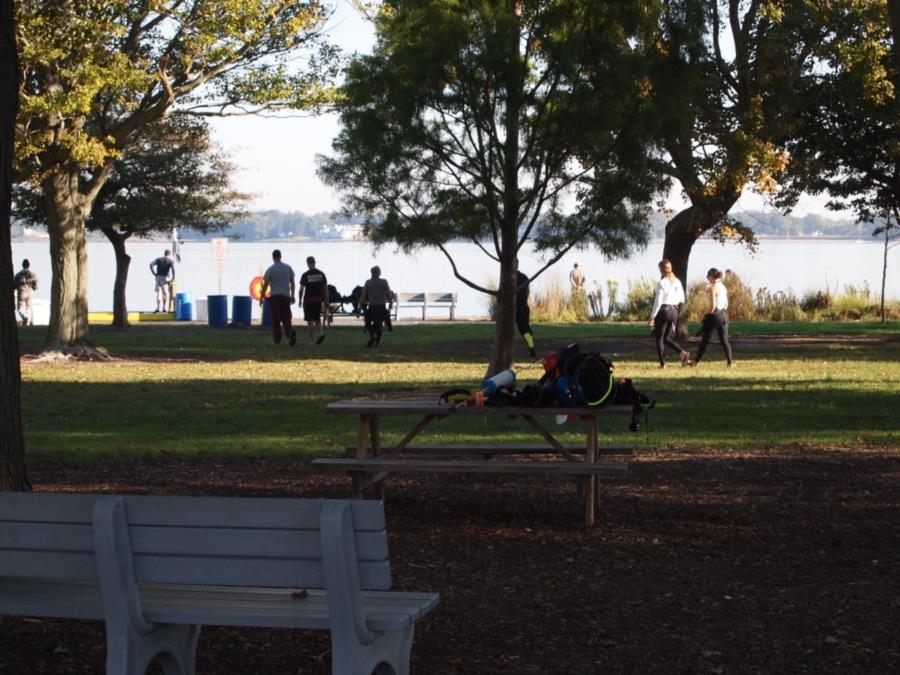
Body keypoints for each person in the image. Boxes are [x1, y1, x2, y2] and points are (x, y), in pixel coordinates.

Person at [648, 258, 689, 368]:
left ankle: (663, 364)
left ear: (661, 270)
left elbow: (658, 302)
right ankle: (682, 353)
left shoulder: (662, 283)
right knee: (667, 338)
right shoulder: (677, 281)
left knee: (659, 338)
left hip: (664, 311)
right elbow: (682, 299)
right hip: (674, 311)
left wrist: (652, 317)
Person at [692, 268, 734, 367]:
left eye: (708, 276)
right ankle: (730, 362)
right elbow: (726, 304)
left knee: (705, 339)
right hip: (724, 314)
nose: (707, 278)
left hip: (716, 314)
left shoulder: (713, 288)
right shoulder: (723, 287)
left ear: (711, 276)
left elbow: (713, 306)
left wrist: (707, 316)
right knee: (724, 340)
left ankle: (696, 362)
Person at [259, 249, 296, 346]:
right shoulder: (288, 268)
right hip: (286, 297)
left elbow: (265, 285)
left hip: (275, 297)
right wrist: (292, 295)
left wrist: (261, 297)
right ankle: (290, 333)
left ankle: (277, 340)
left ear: (273, 257)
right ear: (281, 256)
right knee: (286, 318)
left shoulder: (271, 269)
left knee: (275, 319)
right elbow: (292, 283)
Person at [359, 265, 394, 347]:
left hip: (372, 308)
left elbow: (363, 296)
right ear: (379, 273)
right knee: (379, 324)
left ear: (371, 273)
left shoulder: (368, 282)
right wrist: (391, 303)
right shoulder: (384, 282)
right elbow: (389, 294)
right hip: (382, 308)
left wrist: (360, 305)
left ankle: (372, 335)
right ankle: (377, 342)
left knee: (367, 321)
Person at [299, 256, 328, 345]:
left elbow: (302, 289)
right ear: (315, 262)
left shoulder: (305, 275)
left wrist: (300, 300)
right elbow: (325, 288)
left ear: (308, 263)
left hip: (308, 300)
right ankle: (321, 333)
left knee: (310, 321)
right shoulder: (321, 274)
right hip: (318, 300)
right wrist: (326, 300)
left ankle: (312, 340)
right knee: (317, 319)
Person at [515, 269, 537, 358]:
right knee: (526, 327)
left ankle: (531, 348)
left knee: (523, 330)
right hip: (525, 306)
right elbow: (528, 292)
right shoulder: (524, 277)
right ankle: (531, 346)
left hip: (517, 308)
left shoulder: (511, 278)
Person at [14, 259, 38, 326]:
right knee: (29, 308)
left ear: (22, 265)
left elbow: (14, 284)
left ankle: (25, 317)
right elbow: (35, 285)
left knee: (20, 309)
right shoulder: (32, 274)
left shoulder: (18, 275)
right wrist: (34, 287)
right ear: (29, 265)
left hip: (21, 292)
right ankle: (26, 322)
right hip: (29, 293)